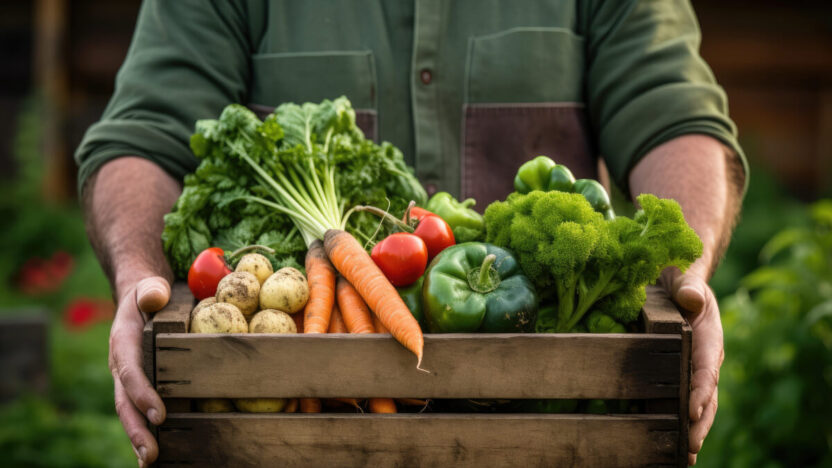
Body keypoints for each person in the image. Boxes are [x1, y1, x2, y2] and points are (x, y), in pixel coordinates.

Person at [77, 1, 746, 466]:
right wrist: (140, 276)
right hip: (299, 443)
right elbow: (145, 135)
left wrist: (684, 277)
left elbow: (672, 113)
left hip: (546, 430)